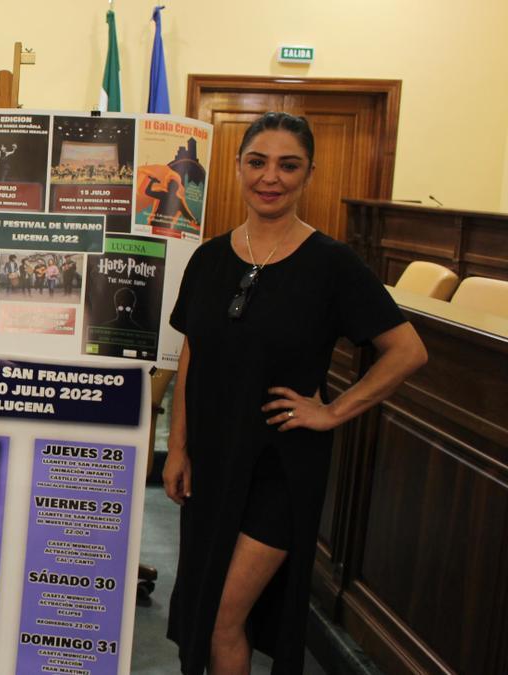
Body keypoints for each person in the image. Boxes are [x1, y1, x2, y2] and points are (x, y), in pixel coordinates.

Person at [163, 112, 427, 675]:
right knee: (203, 608)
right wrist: (179, 448)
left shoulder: (333, 265)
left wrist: (333, 410)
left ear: (309, 174)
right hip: (212, 461)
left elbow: (407, 351)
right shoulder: (209, 259)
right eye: (257, 162)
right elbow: (193, 355)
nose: (271, 177)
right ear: (237, 167)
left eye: (289, 165)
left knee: (223, 618)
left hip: (281, 468)